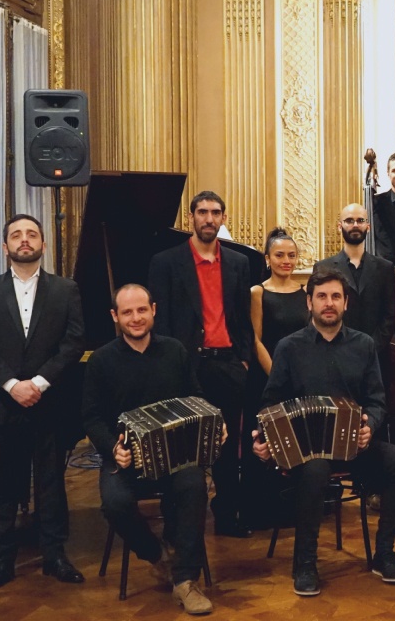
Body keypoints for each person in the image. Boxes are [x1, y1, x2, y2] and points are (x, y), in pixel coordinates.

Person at [252, 270, 395, 596]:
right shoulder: (288, 347)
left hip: (356, 447)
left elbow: (377, 401)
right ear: (308, 302)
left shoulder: (364, 345)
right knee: (315, 469)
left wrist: (370, 426)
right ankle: (306, 562)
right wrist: (265, 440)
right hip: (308, 453)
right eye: (322, 296)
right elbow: (271, 403)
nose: (329, 303)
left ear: (346, 303)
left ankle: (383, 553)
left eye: (335, 297)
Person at [0, 214, 85, 592]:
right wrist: (10, 385)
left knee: (52, 481)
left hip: (49, 401)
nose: (24, 240)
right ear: (5, 247)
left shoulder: (67, 290)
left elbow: (74, 342)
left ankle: (55, 554)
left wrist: (37, 382)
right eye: (16, 235)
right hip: (5, 402)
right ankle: (2, 559)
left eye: (31, 234)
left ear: (43, 245)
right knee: (5, 483)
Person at [82, 284, 215, 615]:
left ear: (153, 309)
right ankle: (157, 556)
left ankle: (185, 581)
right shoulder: (101, 360)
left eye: (141, 310)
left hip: (176, 456)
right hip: (126, 459)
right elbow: (92, 417)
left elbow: (196, 397)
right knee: (114, 503)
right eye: (127, 312)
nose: (136, 318)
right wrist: (113, 447)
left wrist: (214, 422)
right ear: (115, 317)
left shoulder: (175, 351)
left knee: (194, 484)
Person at [147, 190, 254, 538]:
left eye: (216, 212)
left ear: (224, 218)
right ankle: (176, 520)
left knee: (226, 446)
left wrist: (244, 360)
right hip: (187, 366)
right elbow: (159, 324)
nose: (209, 219)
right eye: (203, 212)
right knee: (182, 446)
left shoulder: (238, 263)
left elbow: (242, 319)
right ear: (190, 218)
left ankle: (227, 515)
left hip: (227, 364)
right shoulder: (165, 262)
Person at [243, 229, 307, 529]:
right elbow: (255, 339)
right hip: (267, 378)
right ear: (267, 259)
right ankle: (261, 510)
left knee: (294, 442)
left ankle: (293, 509)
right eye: (279, 255)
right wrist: (277, 374)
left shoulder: (305, 293)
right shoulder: (258, 292)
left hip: (298, 380)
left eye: (291, 255)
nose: (286, 260)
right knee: (265, 441)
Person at [314, 203, 395, 367]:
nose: (355, 225)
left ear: (368, 226)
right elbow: (318, 312)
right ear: (340, 226)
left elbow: (389, 315)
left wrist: (371, 347)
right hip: (335, 354)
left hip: (377, 357)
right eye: (349, 221)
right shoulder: (323, 267)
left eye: (360, 220)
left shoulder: (385, 268)